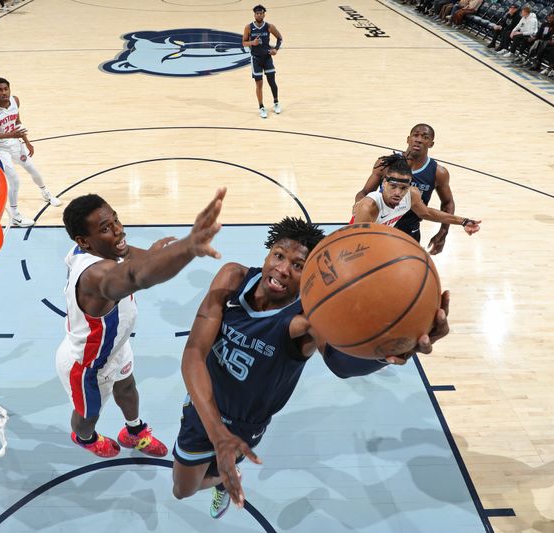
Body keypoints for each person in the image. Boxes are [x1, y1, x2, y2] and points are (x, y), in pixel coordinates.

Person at [171, 217, 453, 519]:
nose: (282, 269)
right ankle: (225, 476)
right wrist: (217, 434)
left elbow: (341, 365)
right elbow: (194, 353)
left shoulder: (306, 321)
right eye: (279, 255)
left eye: (297, 265)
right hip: (205, 404)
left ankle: (225, 478)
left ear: (311, 276)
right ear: (267, 252)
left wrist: (387, 353)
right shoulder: (233, 278)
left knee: (213, 470)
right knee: (183, 490)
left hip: (246, 423)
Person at [56, 188, 227, 458]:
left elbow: (137, 258)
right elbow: (137, 276)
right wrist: (188, 247)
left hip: (115, 345)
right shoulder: (95, 277)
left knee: (127, 387)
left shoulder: (101, 248)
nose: (118, 230)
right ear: (85, 242)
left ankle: (133, 431)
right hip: (88, 363)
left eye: (115, 219)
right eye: (105, 228)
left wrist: (159, 254)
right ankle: (84, 437)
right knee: (87, 416)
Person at [354, 124, 456, 254]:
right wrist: (359, 204)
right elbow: (364, 192)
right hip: (380, 227)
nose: (419, 139)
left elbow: (448, 203)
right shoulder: (385, 164)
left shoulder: (438, 172)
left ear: (431, 144)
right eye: (415, 135)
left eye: (425, 137)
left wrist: (443, 233)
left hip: (409, 231)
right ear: (408, 139)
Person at [0, 77, 62, 228]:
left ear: (10, 89)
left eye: (6, 89)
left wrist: (27, 141)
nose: (4, 92)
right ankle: (15, 215)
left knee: (33, 169)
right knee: (14, 180)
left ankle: (45, 193)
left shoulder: (15, 101)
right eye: (0, 90)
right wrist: (11, 135)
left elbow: (17, 122)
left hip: (15, 142)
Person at [351, 154, 481, 236]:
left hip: (380, 237)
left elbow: (428, 213)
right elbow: (358, 245)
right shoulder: (369, 206)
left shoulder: (411, 194)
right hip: (354, 244)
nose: (398, 193)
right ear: (384, 183)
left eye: (403, 188)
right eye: (393, 186)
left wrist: (463, 221)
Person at [242, 4, 283, 119]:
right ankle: (261, 107)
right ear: (254, 14)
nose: (259, 15)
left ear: (264, 14)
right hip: (256, 59)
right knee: (259, 84)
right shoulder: (248, 27)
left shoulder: (269, 26)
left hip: (267, 58)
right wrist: (252, 43)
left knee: (272, 82)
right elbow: (244, 42)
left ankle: (276, 102)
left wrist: (276, 49)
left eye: (261, 13)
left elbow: (280, 38)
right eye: (257, 13)